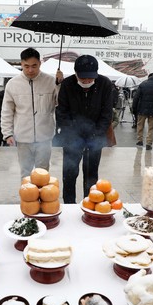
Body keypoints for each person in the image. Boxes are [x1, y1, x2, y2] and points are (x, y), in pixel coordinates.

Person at [56, 54, 113, 203]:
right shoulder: (67, 84)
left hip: (95, 137)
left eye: (90, 78)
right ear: (76, 74)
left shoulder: (105, 84)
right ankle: (69, 203)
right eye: (83, 79)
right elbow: (61, 112)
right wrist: (72, 133)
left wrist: (96, 133)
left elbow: (106, 114)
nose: (87, 81)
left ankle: (90, 203)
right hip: (72, 138)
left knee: (91, 174)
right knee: (69, 173)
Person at [1, 47, 63, 179]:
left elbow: (61, 104)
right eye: (26, 66)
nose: (30, 70)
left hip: (44, 138)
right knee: (25, 173)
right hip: (22, 138)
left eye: (34, 66)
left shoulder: (51, 82)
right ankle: (27, 198)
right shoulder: (12, 84)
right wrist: (7, 134)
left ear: (40, 63)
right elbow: (7, 111)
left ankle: (44, 198)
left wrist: (59, 85)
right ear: (21, 64)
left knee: (43, 173)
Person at [132, 72, 153, 151]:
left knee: (140, 125)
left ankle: (140, 141)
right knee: (151, 127)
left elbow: (136, 97)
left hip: (142, 109)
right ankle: (148, 144)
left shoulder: (143, 84)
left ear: (148, 77)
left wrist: (134, 108)